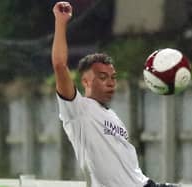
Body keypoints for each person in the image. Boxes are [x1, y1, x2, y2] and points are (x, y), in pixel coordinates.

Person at [52, 1, 176, 187]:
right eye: (103, 77)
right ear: (86, 81)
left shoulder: (112, 116)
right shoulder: (77, 110)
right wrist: (60, 22)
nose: (110, 82)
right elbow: (60, 65)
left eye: (113, 77)